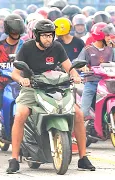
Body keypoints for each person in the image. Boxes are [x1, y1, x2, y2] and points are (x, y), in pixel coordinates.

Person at [7, 19, 95, 173]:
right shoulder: (27, 48)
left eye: (50, 35)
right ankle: (14, 159)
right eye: (45, 36)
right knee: (20, 115)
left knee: (79, 114)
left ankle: (83, 157)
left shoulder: (57, 46)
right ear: (36, 36)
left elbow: (69, 67)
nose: (48, 39)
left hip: (56, 87)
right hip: (32, 89)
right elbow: (15, 73)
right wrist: (22, 79)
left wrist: (75, 75)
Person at [0, 14, 24, 146]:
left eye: (18, 32)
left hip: (22, 85)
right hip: (2, 86)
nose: (16, 34)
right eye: (13, 32)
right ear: (8, 31)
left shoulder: (25, 45)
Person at [78, 22, 115, 118]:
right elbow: (78, 62)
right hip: (92, 82)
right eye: (107, 35)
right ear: (100, 36)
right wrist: (83, 67)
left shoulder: (110, 49)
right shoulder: (88, 49)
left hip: (108, 83)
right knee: (83, 112)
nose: (109, 38)